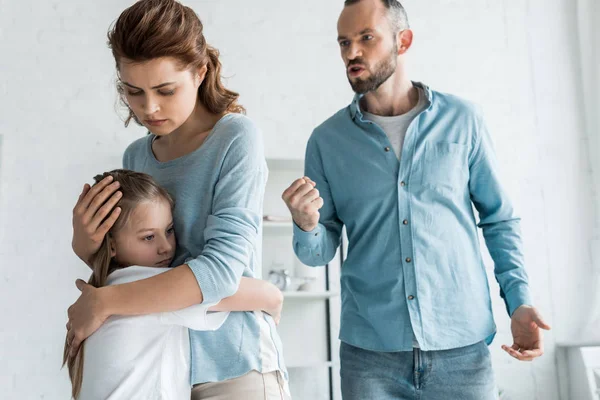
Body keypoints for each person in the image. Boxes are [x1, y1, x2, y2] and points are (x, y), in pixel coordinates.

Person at [282, 0, 551, 399]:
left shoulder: (464, 121)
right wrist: (306, 225)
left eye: (366, 38)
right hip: (370, 357)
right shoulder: (326, 141)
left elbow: (499, 220)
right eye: (343, 42)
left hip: (461, 351)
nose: (351, 53)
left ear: (402, 40)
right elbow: (319, 252)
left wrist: (519, 301)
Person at [65, 1, 289, 398]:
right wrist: (89, 248)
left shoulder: (235, 138)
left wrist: (105, 302)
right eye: (133, 91)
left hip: (234, 366)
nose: (148, 107)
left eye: (165, 90)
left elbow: (219, 274)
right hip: (163, 366)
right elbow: (137, 265)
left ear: (200, 73)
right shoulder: (136, 156)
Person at [63, 169, 283, 400]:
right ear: (112, 245)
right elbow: (262, 294)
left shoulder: (108, 286)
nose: (165, 247)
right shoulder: (148, 289)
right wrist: (275, 306)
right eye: (148, 237)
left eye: (168, 231)